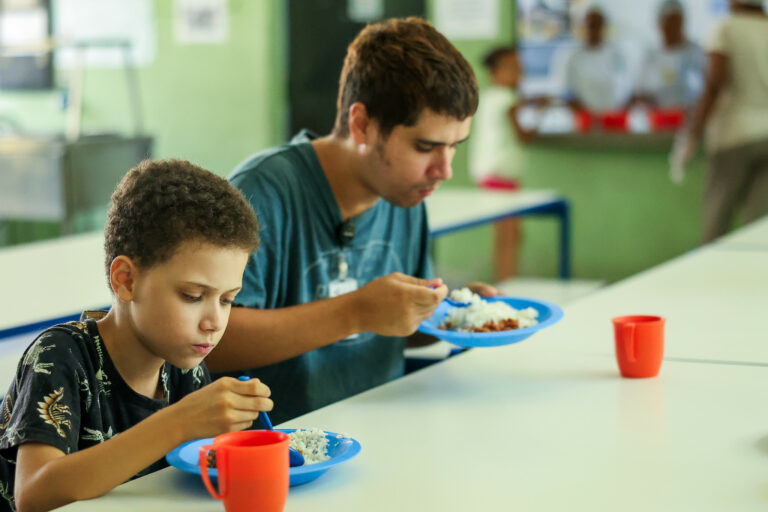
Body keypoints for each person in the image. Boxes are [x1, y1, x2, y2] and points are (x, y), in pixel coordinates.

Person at [205, 17, 493, 424]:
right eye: (426, 147)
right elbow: (210, 341)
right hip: (284, 449)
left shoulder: (406, 193)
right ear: (362, 125)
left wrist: (458, 315)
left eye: (454, 147)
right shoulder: (264, 192)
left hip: (381, 432)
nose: (443, 170)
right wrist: (355, 312)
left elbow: (393, 327)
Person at [0, 160, 273, 512]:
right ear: (126, 281)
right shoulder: (60, 355)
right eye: (192, 296)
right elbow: (34, 495)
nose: (214, 321)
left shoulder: (187, 370)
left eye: (227, 299)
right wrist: (178, 423)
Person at [670, 0, 768, 242]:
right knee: (757, 233)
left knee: (715, 227)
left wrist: (690, 135)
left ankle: (711, 279)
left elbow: (714, 84)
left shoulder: (725, 29)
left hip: (733, 137)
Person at [468, 45, 549, 281]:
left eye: (520, 68)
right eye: (513, 68)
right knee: (509, 236)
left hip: (490, 175)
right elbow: (524, 136)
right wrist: (541, 115)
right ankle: (505, 282)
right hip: (500, 176)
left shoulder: (492, 96)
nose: (519, 73)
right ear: (494, 72)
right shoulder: (506, 98)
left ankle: (505, 279)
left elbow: (522, 105)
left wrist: (535, 103)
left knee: (509, 234)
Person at [631, 0, 707, 109]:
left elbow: (707, 88)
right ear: (660, 24)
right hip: (658, 120)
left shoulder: (696, 53)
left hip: (689, 119)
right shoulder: (651, 56)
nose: (673, 28)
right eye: (669, 22)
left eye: (676, 22)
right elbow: (640, 91)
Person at [563, 4, 629, 112]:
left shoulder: (617, 54)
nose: (595, 29)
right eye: (591, 25)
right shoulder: (573, 58)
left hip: (612, 118)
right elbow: (568, 93)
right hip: (585, 119)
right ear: (583, 27)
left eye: (599, 25)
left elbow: (625, 88)